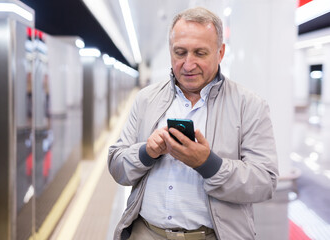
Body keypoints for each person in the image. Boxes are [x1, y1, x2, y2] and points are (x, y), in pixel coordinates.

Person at [108, 6, 279, 240]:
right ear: (170, 52)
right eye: (180, 52)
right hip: (146, 232)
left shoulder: (249, 106)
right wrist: (146, 152)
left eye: (200, 53)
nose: (188, 65)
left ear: (220, 53)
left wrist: (208, 164)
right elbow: (117, 165)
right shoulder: (146, 99)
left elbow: (265, 182)